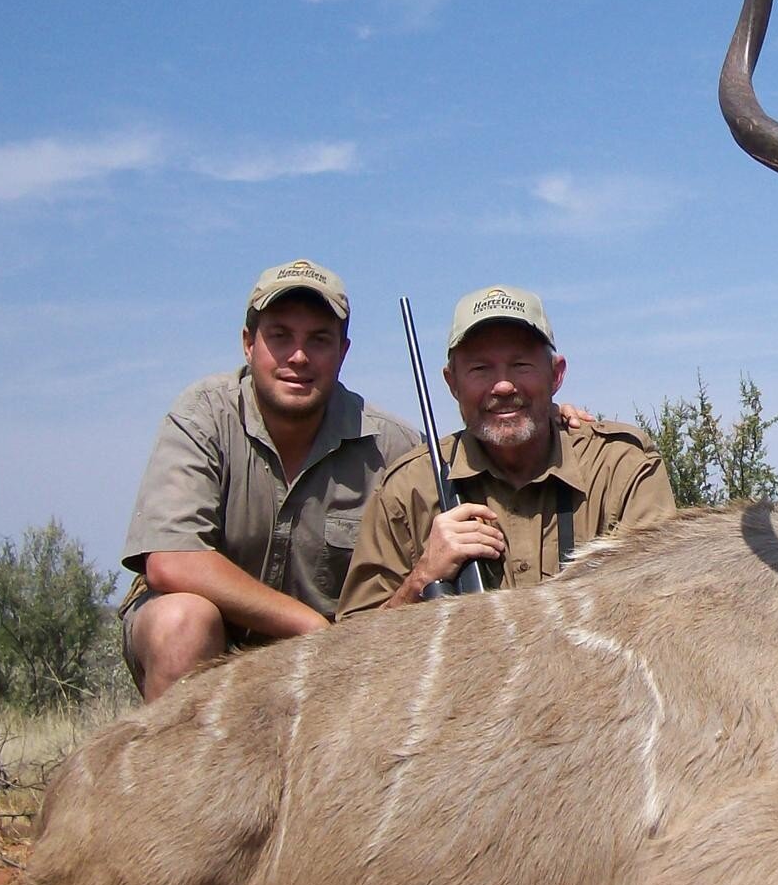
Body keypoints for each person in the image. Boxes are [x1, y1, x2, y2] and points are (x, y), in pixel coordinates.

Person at [120, 259, 421, 700]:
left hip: (329, 665)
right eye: (280, 337)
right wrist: (313, 627)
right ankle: (168, 769)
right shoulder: (203, 414)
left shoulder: (392, 444)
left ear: (343, 351)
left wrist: (553, 425)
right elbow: (171, 559)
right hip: (239, 642)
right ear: (248, 344)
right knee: (183, 621)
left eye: (319, 340)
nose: (298, 357)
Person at [337, 284, 674, 615]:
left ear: (556, 375)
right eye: (480, 369)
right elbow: (350, 649)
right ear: (451, 382)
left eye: (521, 365)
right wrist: (422, 578)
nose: (502, 385)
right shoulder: (409, 487)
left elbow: (665, 607)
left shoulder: (620, 468)